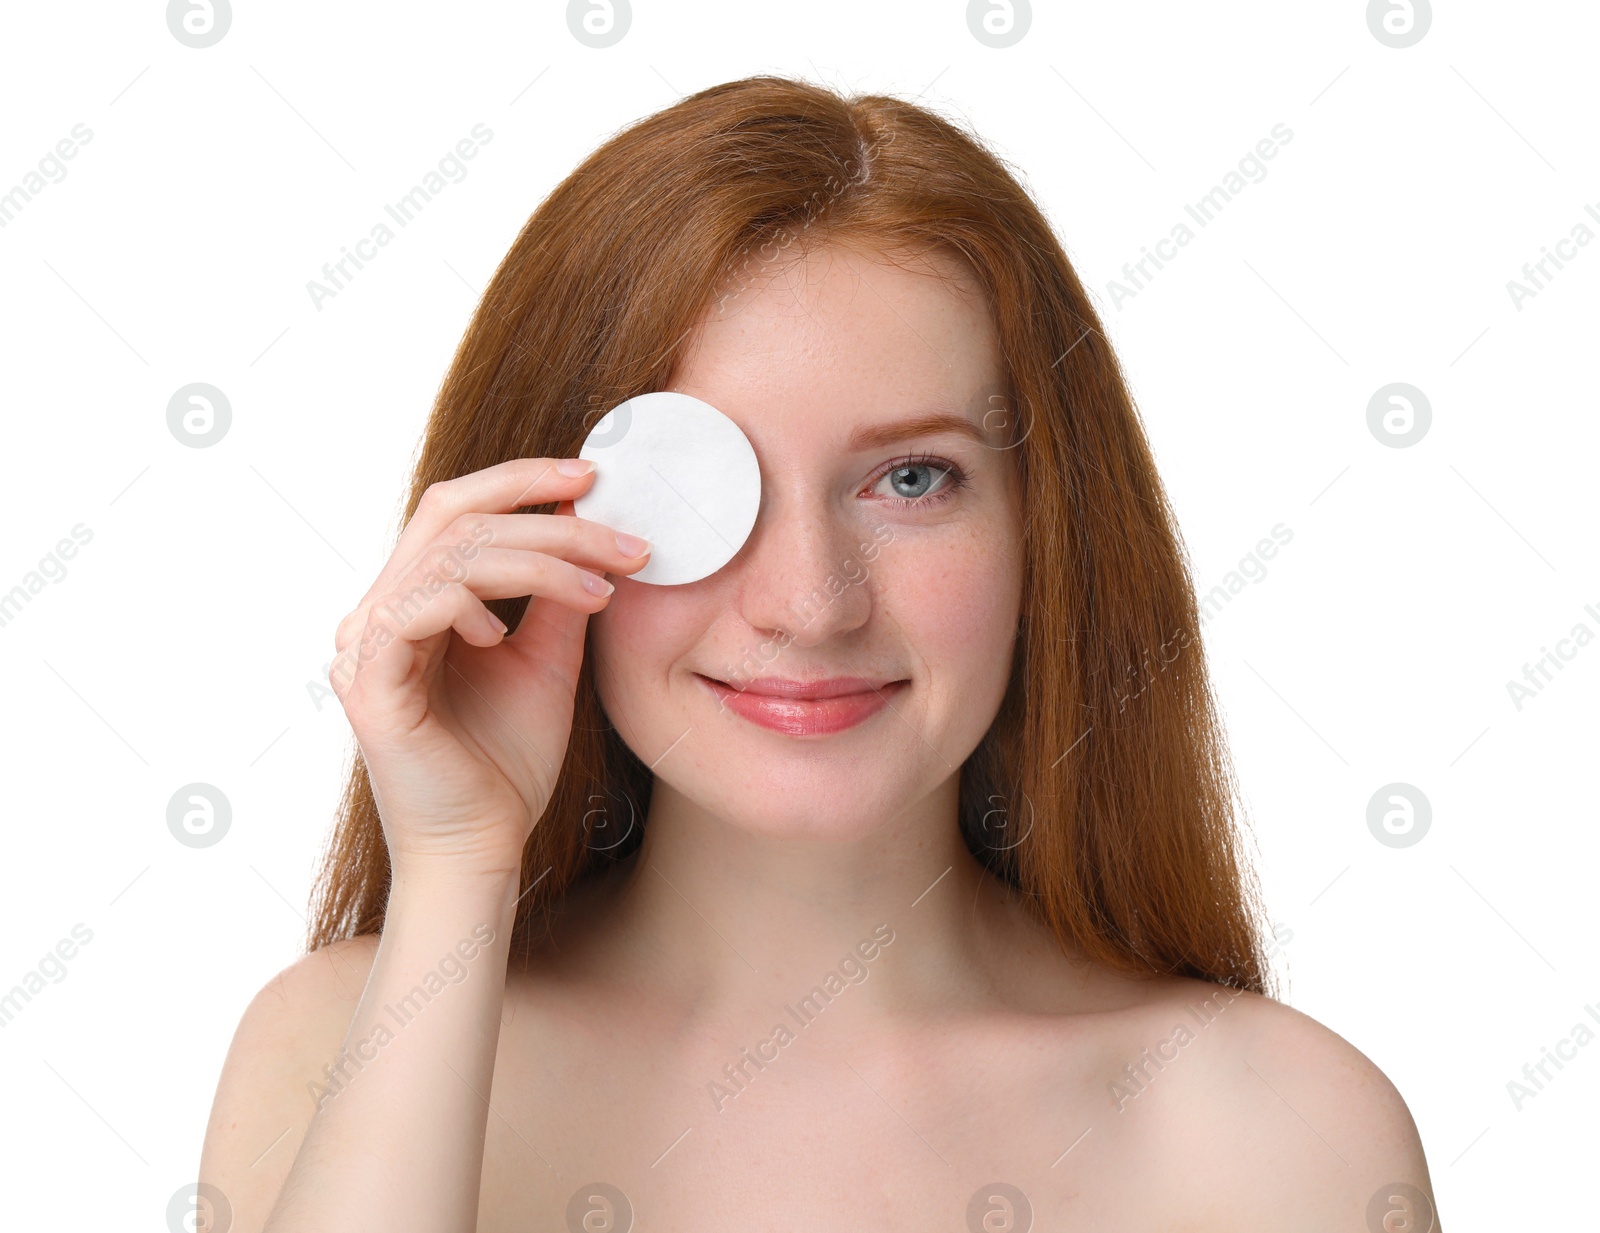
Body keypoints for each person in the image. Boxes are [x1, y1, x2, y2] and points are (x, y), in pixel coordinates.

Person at [197, 75, 1439, 1232]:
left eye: (911, 478)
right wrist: (458, 866)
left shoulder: (1284, 1136)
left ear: (1043, 530)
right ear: (532, 532)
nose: (809, 604)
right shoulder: (334, 1050)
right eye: (693, 489)